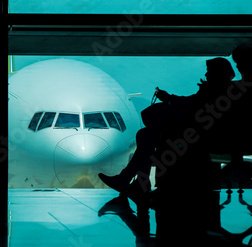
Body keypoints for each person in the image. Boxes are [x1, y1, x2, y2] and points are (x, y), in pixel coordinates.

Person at [98, 57, 236, 195]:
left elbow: (191, 107)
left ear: (218, 74)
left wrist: (171, 99)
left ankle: (133, 181)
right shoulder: (221, 91)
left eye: (209, 72)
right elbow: (190, 104)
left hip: (203, 138)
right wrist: (170, 98)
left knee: (146, 136)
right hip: (198, 135)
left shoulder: (214, 92)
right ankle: (134, 181)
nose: (206, 75)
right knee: (146, 136)